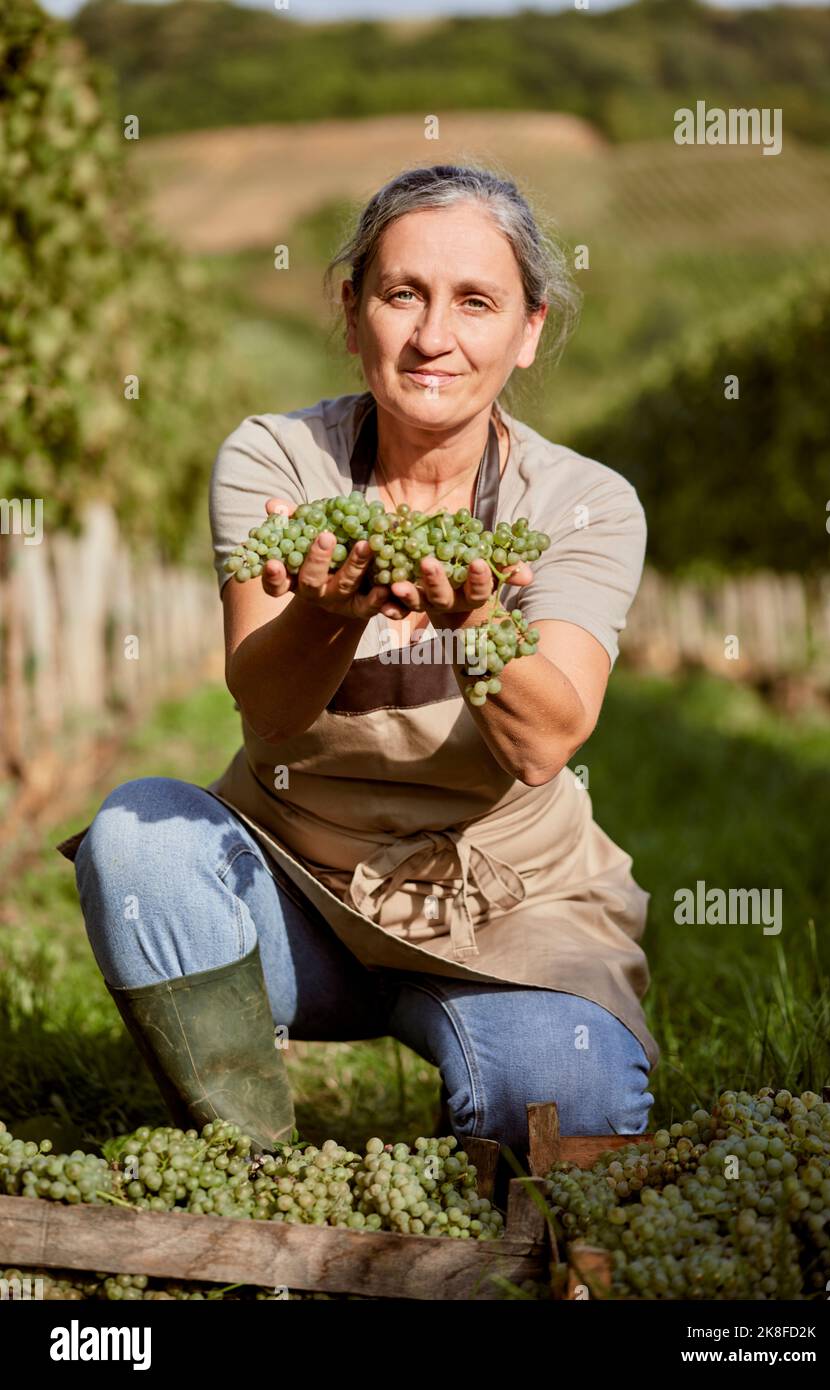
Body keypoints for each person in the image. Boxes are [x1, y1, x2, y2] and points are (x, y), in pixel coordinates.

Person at [59, 164, 658, 1179]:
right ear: (350, 313)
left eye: (475, 302)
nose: (433, 336)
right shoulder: (274, 461)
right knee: (136, 842)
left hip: (508, 909)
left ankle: (477, 1107)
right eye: (400, 295)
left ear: (526, 329)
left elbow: (545, 736)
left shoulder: (582, 500)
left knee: (567, 1103)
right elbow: (270, 711)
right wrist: (329, 613)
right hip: (296, 892)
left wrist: (474, 619)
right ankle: (245, 1169)